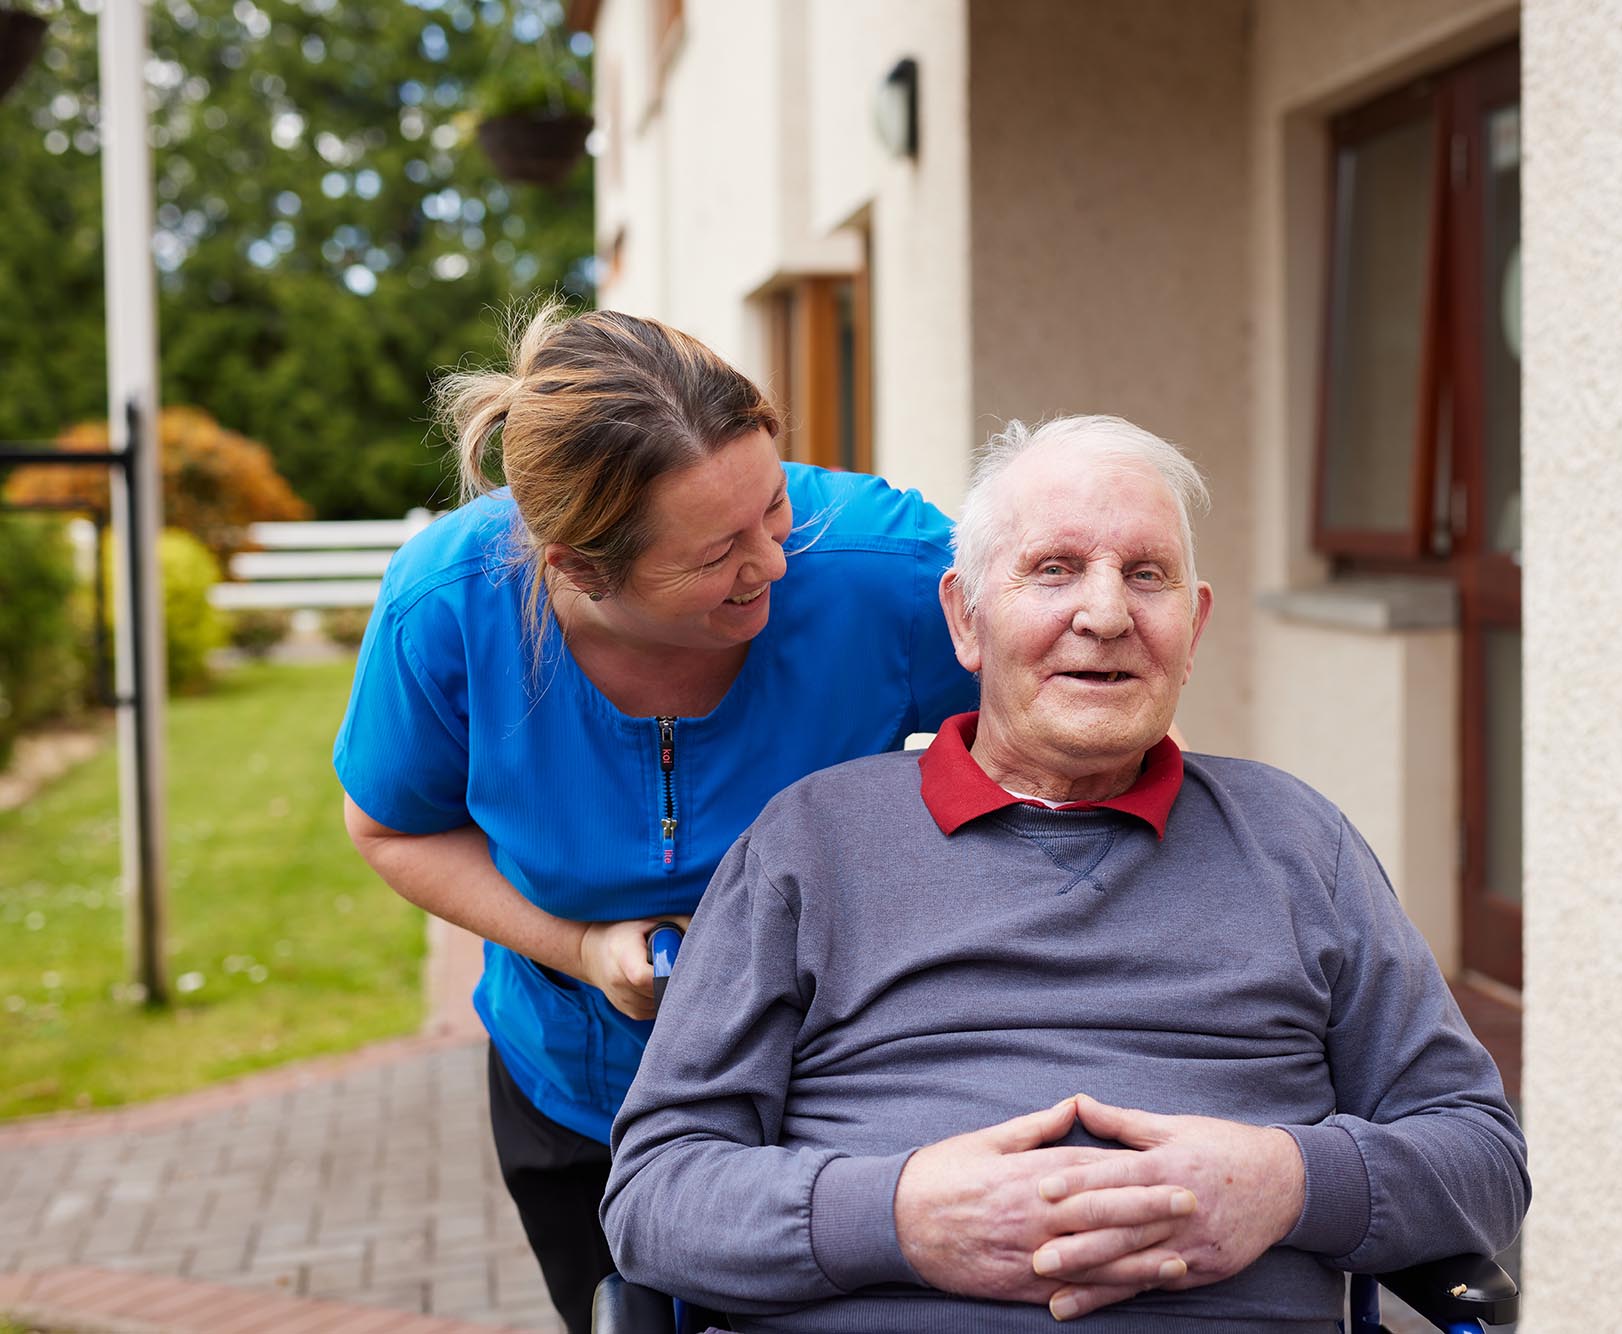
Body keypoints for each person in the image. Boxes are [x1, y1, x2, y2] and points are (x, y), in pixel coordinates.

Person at [601, 415, 1529, 1331]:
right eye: (1055, 569)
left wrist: (1290, 1184)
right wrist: (898, 1216)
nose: (1106, 613)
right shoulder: (811, 842)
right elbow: (657, 1192)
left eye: (1147, 576)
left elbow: (1482, 1159)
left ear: (1193, 626)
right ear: (966, 618)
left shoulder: (1297, 843)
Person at [332, 303, 978, 1333]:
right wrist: (581, 946)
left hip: (835, 1094)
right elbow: (394, 828)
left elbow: (1054, 735)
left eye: (773, 503)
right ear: (577, 568)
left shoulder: (882, 566)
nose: (773, 559)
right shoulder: (446, 606)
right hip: (578, 1104)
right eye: (719, 551)